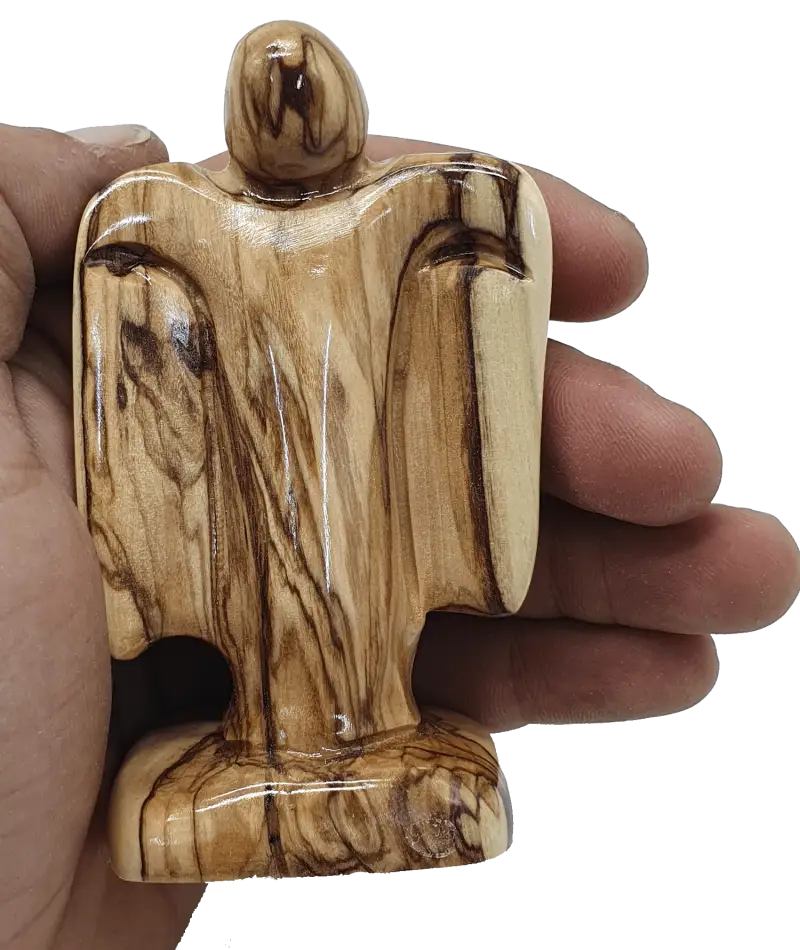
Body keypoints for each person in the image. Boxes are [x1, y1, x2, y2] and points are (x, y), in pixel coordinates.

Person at [0, 122, 797, 949]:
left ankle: (369, 722)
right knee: (279, 581)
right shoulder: (168, 218)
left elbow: (492, 223)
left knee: (365, 570)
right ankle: (281, 728)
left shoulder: (408, 207)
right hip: (246, 528)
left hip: (374, 507)